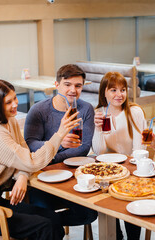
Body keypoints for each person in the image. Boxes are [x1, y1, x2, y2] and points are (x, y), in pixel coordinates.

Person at [0, 79, 80, 240]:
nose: (15, 104)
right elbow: (31, 162)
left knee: (53, 218)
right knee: (46, 226)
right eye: (8, 102)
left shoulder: (10, 121)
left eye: (15, 98)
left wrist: (22, 176)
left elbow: (24, 155)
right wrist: (59, 135)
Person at [25, 64, 98, 227]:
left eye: (78, 86)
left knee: (89, 213)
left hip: (74, 176)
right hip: (43, 177)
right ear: (56, 85)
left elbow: (83, 147)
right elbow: (30, 145)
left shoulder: (86, 109)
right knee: (43, 214)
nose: (73, 90)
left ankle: (51, 224)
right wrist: (57, 143)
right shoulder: (38, 110)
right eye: (67, 84)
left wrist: (52, 157)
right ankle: (49, 224)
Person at [92, 72, 146, 240]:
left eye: (122, 90)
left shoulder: (134, 112)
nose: (119, 94)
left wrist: (126, 172)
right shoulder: (98, 113)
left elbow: (139, 149)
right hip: (108, 171)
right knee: (105, 196)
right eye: (113, 90)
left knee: (130, 196)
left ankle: (132, 237)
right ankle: (116, 235)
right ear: (104, 92)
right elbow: (99, 153)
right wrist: (98, 130)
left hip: (131, 168)